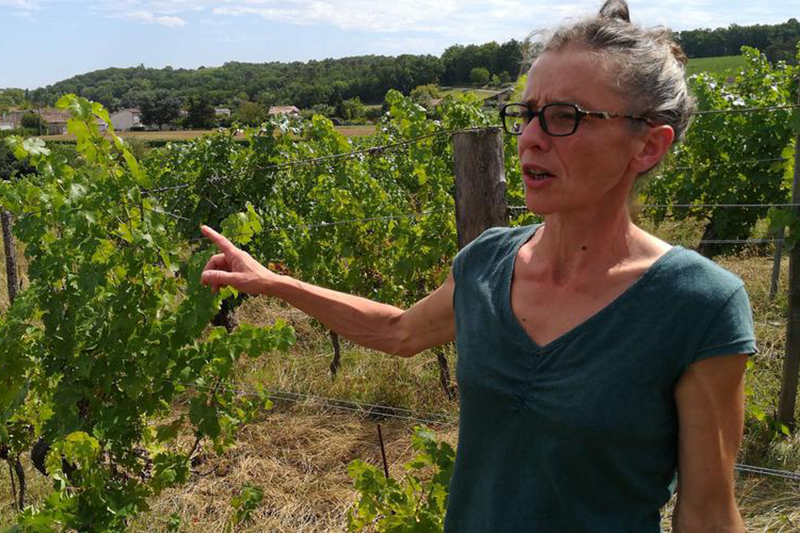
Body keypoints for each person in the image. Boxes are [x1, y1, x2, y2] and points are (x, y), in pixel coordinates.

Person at [200, 1, 757, 530]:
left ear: (648, 146)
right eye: (529, 114)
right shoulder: (488, 262)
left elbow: (707, 517)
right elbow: (398, 331)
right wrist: (274, 283)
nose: (532, 139)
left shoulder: (698, 305)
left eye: (566, 117)